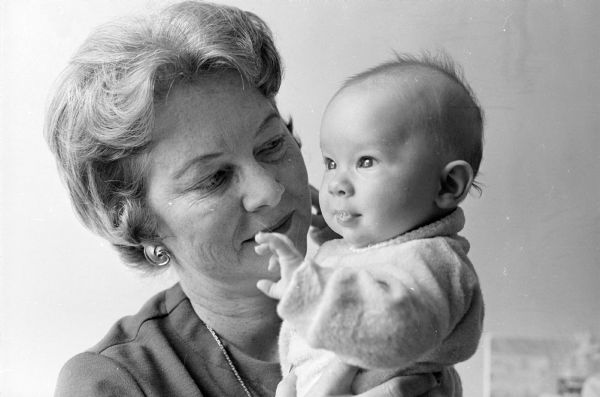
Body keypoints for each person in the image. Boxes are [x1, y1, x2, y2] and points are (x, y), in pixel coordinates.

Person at [45, 1, 459, 396]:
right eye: (214, 178)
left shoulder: (384, 289)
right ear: (140, 224)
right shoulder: (111, 383)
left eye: (272, 144)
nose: (270, 190)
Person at [254, 54, 484, 396]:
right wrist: (342, 242)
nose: (335, 184)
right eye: (331, 162)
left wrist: (307, 291)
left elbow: (394, 329)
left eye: (365, 161)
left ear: (448, 185)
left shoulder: (436, 261)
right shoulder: (390, 249)